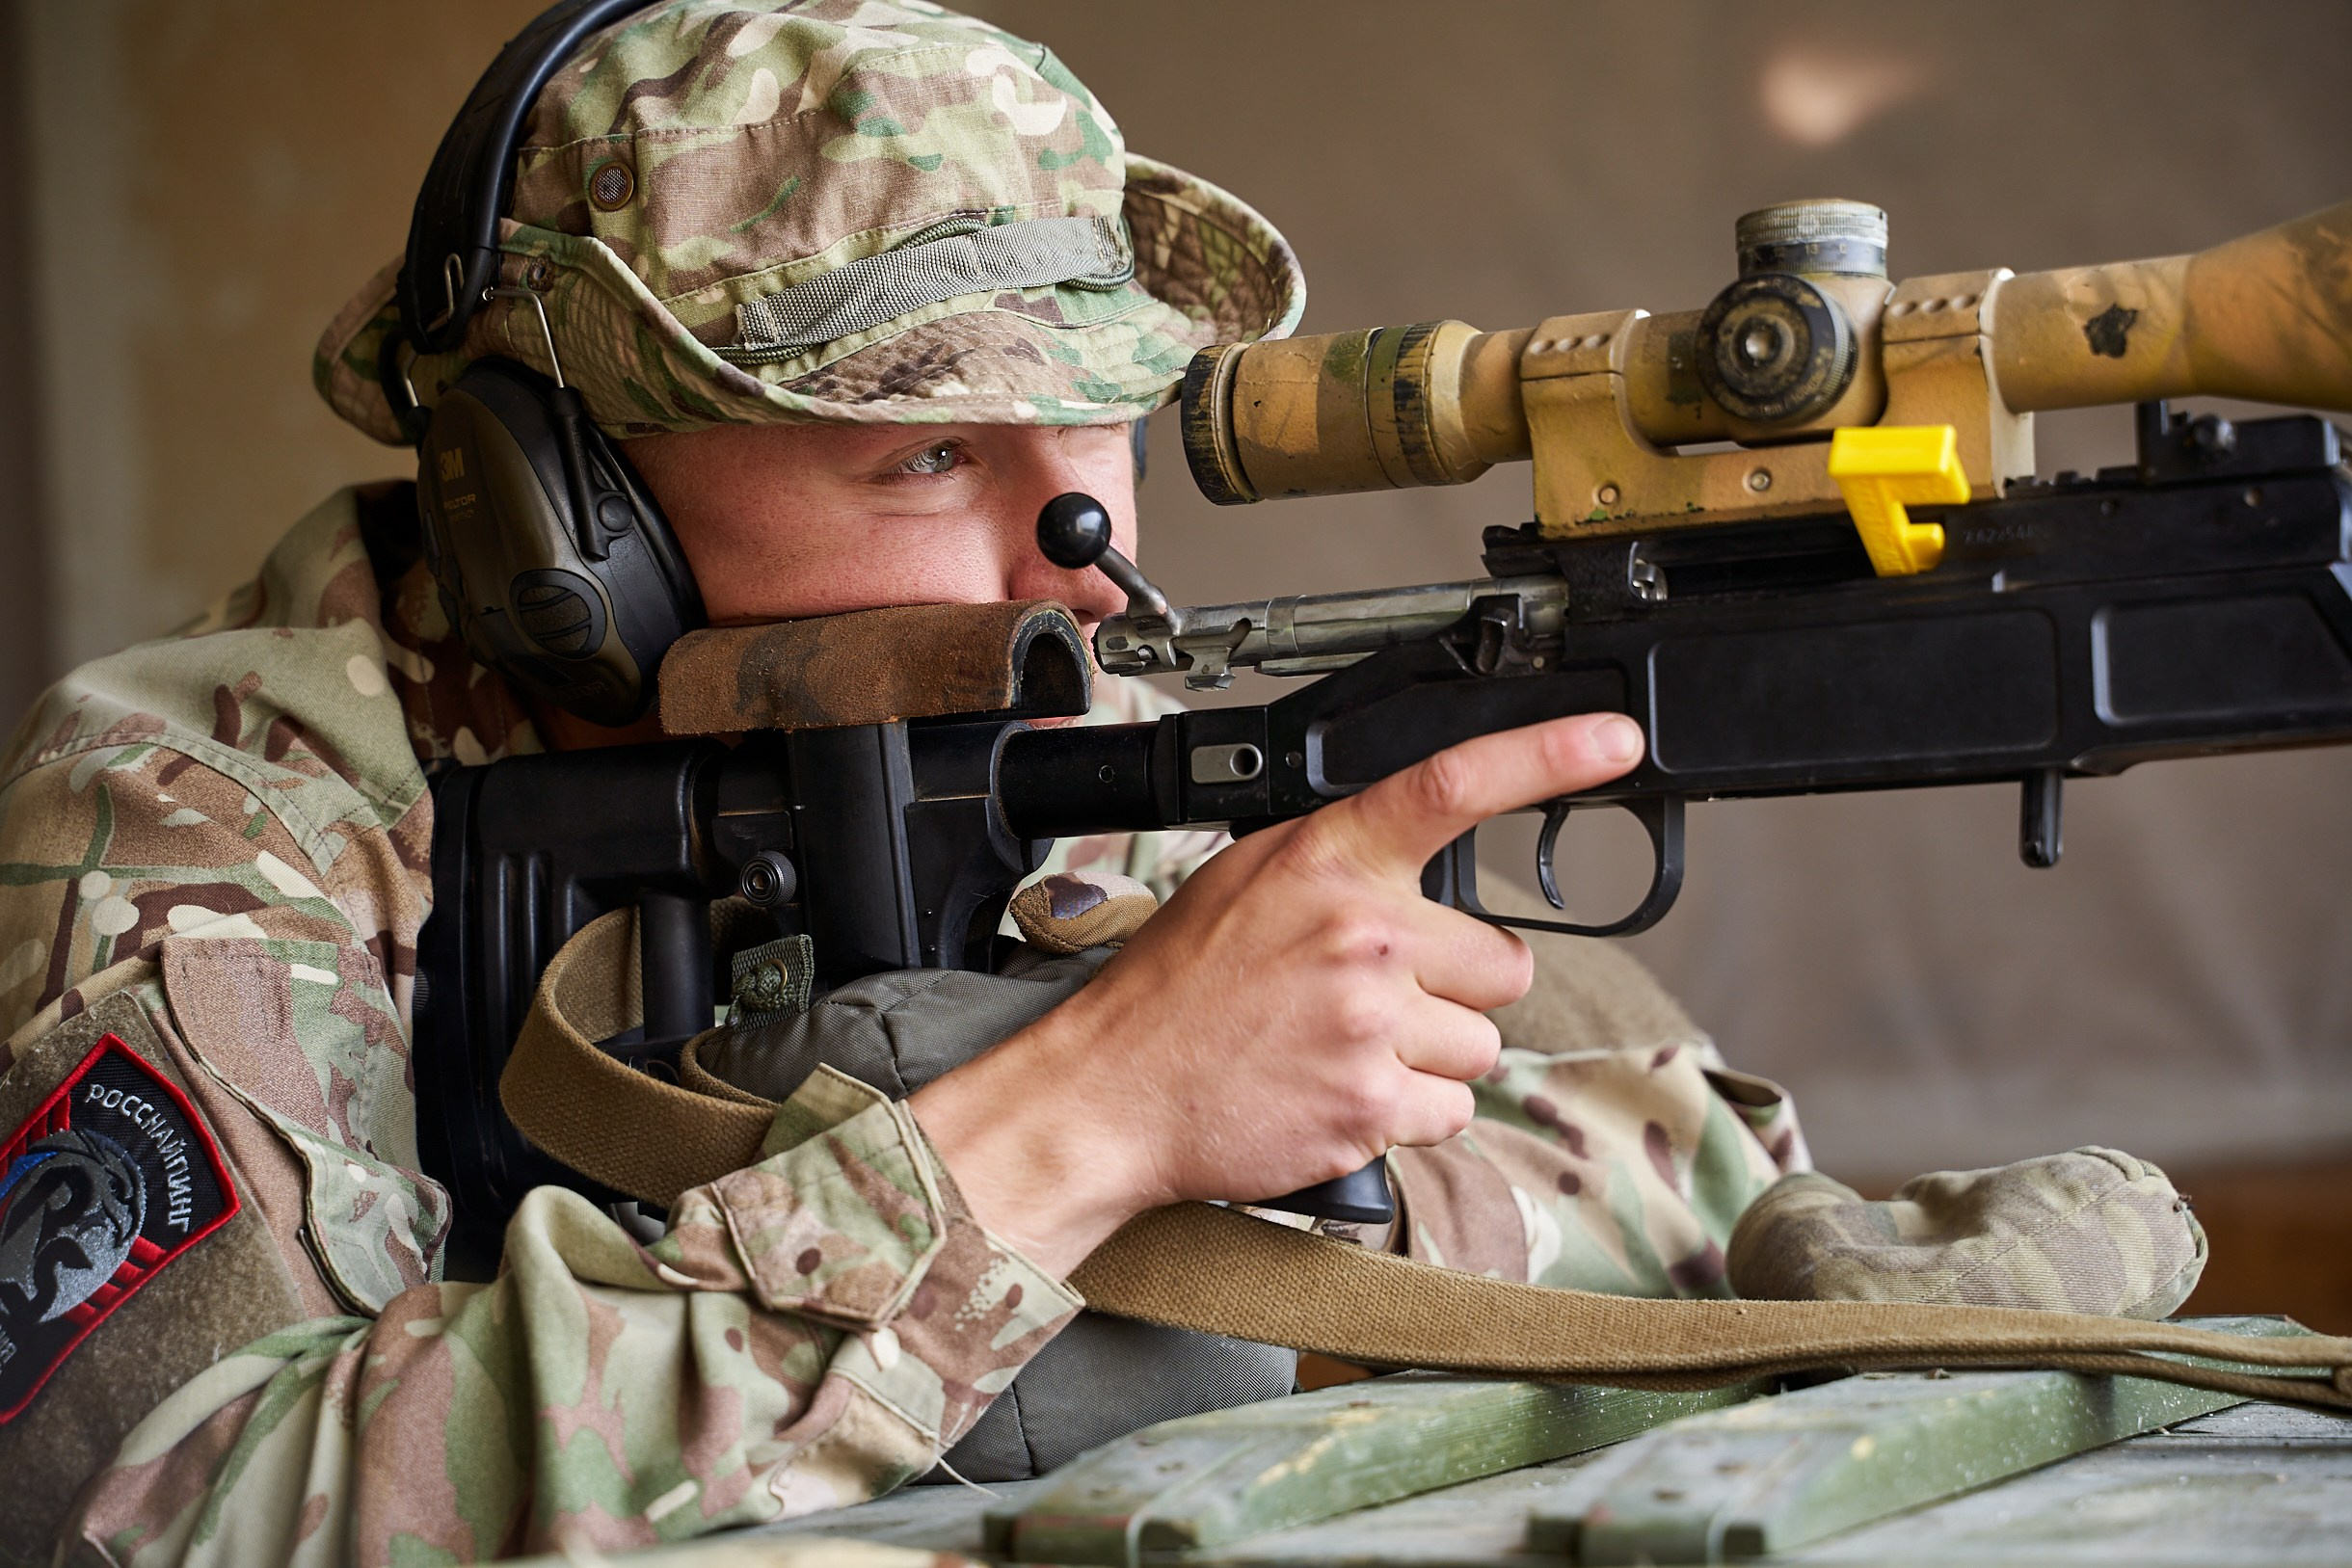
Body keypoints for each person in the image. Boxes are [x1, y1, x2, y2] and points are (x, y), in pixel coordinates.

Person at [0, 4, 1804, 1562]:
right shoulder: (195, 819)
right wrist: (1084, 1129)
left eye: (1096, 425)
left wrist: (1323, 1199)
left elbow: (1697, 1167)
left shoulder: (1024, 698)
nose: (1080, 564)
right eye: (929, 450)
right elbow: (177, 1508)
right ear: (557, 511)